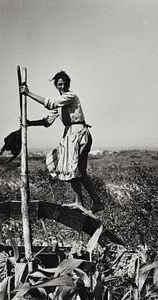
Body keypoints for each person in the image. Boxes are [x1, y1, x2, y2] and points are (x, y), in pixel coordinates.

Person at [20, 71, 104, 213]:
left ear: (69, 84)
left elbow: (50, 103)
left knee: (78, 170)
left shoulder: (70, 96)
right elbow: (47, 121)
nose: (62, 86)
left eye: (65, 83)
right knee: (70, 169)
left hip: (79, 133)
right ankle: (79, 202)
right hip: (69, 135)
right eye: (60, 84)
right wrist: (29, 123)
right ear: (56, 86)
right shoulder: (60, 103)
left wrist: (28, 93)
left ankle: (96, 202)